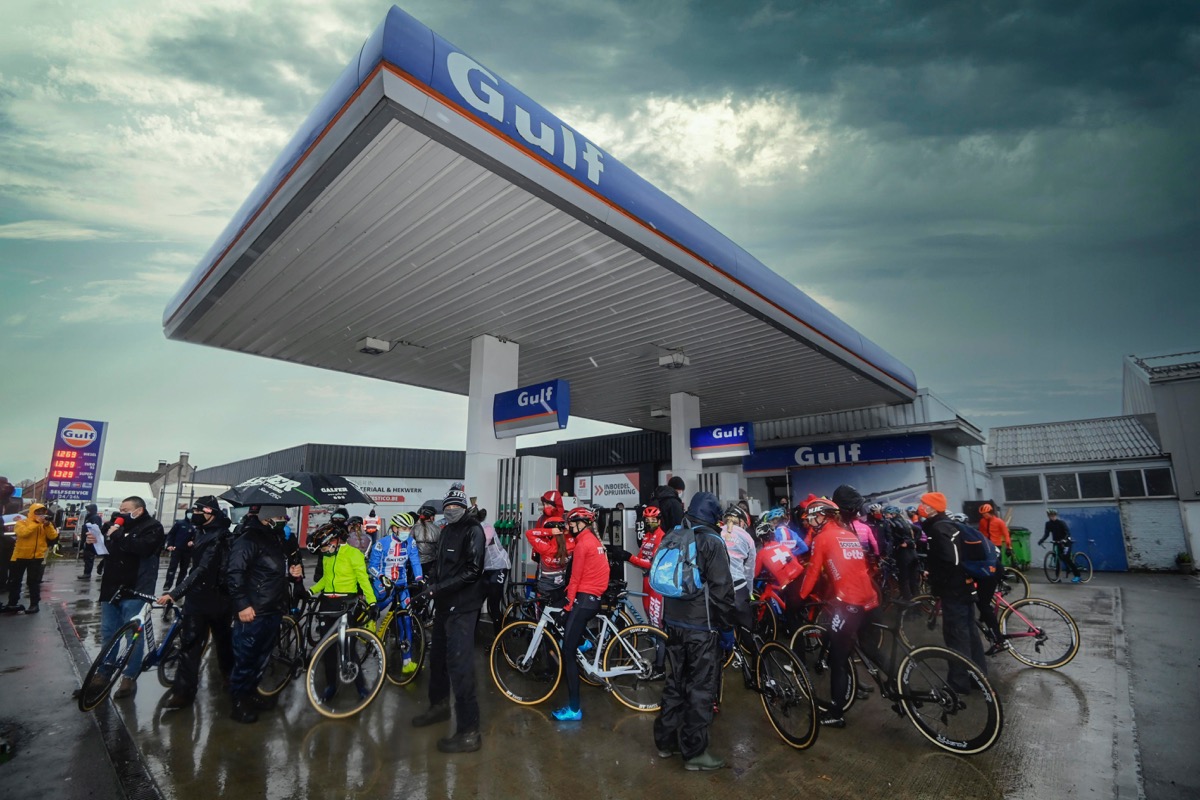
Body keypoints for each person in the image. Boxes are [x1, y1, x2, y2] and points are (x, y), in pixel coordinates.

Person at [653, 491, 735, 772]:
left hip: (674, 624)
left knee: (675, 683)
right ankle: (695, 753)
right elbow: (723, 592)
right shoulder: (712, 542)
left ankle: (666, 742)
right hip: (702, 628)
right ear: (714, 517)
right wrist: (726, 631)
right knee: (701, 688)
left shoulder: (676, 535)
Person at [410, 483, 486, 754]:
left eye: (456, 507)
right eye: (448, 507)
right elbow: (441, 567)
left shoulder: (472, 530)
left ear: (464, 507)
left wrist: (437, 588)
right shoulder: (446, 530)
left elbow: (473, 571)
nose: (451, 510)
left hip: (464, 608)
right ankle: (439, 707)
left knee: (460, 667)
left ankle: (469, 732)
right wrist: (428, 582)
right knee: (437, 659)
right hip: (443, 606)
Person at [796, 497, 880, 728]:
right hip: (870, 599)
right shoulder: (848, 534)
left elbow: (813, 573)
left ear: (824, 516)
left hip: (849, 602)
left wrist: (798, 599)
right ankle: (899, 687)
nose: (811, 521)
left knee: (838, 659)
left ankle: (836, 713)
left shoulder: (822, 538)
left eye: (814, 516)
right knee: (871, 650)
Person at [157, 496, 234, 710]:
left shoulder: (221, 536)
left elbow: (204, 568)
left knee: (223, 642)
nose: (195, 515)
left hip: (218, 599)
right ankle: (183, 693)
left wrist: (176, 592)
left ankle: (230, 678)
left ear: (210, 513)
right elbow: (196, 568)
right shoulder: (200, 531)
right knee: (189, 645)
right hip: (197, 599)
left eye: (198, 511)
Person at [226, 505, 297, 723]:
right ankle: (239, 701)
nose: (284, 519)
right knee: (246, 658)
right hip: (253, 610)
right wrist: (242, 605)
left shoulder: (275, 538)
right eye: (280, 516)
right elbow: (234, 572)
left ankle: (252, 694)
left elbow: (275, 570)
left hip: (273, 608)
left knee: (262, 658)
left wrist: (293, 573)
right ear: (267, 517)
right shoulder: (249, 538)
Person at [89, 497, 165, 698]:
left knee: (133, 636)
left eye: (125, 509)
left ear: (138, 510)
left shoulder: (153, 527)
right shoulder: (114, 526)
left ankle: (129, 677)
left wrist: (120, 535)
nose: (121, 513)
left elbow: (143, 548)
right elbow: (107, 551)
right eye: (120, 509)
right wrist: (94, 542)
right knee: (108, 633)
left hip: (135, 588)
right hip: (111, 587)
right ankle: (103, 673)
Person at [919, 492, 988, 682]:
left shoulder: (939, 529)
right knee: (970, 634)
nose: (921, 507)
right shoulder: (949, 525)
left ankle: (959, 682)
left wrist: (936, 580)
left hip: (954, 589)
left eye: (923, 503)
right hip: (965, 587)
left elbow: (950, 560)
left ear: (933, 507)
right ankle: (978, 677)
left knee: (956, 635)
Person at [551, 506, 609, 721]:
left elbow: (575, 578)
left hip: (584, 600)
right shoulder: (594, 540)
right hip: (593, 598)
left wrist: (567, 606)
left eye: (572, 523)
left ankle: (574, 709)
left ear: (581, 523)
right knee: (573, 635)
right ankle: (584, 642)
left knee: (567, 651)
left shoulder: (583, 543)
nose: (570, 527)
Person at [368, 511, 422, 672]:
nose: (407, 531)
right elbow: (371, 566)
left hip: (402, 583)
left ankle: (407, 661)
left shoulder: (410, 542)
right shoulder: (381, 543)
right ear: (394, 528)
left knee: (406, 620)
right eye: (404, 527)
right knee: (379, 604)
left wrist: (420, 578)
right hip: (383, 583)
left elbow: (415, 562)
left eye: (409, 528)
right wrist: (382, 577)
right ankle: (370, 619)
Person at [3, 502, 58, 614]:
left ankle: (34, 604)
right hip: (20, 556)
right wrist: (36, 523)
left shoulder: (45, 525)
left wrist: (47, 526)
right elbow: (23, 533)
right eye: (38, 512)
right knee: (15, 581)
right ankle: (12, 603)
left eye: (42, 512)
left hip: (36, 557)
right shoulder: (22, 522)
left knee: (33, 582)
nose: (40, 514)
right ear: (32, 512)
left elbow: (53, 536)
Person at [719, 505, 757, 658]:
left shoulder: (717, 533)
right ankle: (758, 674)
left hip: (719, 589)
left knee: (720, 627)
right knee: (749, 633)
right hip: (739, 588)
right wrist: (749, 592)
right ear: (742, 522)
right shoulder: (747, 537)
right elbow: (749, 571)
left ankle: (726, 656)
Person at [525, 516, 575, 607]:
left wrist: (549, 531)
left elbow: (529, 533)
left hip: (545, 589)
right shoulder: (572, 544)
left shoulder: (546, 547)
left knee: (542, 618)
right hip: (561, 588)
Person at [628, 507, 666, 628]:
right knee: (647, 612)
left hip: (655, 582)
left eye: (653, 519)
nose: (650, 523)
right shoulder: (646, 536)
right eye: (647, 520)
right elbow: (640, 558)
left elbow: (652, 563)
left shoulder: (662, 537)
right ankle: (655, 641)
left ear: (659, 521)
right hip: (645, 579)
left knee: (655, 618)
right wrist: (631, 558)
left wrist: (629, 557)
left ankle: (661, 644)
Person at [478, 509, 511, 638]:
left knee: (493, 604)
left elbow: (482, 543)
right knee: (477, 601)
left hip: (500, 566)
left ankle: (499, 639)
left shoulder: (487, 527)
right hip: (487, 569)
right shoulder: (474, 528)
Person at [882, 505, 920, 599]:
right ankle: (918, 604)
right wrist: (913, 542)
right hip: (913, 553)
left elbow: (891, 539)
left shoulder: (891, 523)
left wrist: (888, 553)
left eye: (887, 514)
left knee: (904, 580)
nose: (885, 516)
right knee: (913, 580)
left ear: (893, 514)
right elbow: (918, 530)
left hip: (903, 554)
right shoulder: (906, 522)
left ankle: (908, 605)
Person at [1039, 509, 1082, 583]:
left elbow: (1068, 532)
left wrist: (1064, 539)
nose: (1052, 517)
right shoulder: (1048, 524)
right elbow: (1047, 534)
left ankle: (1077, 576)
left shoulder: (1061, 523)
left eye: (1053, 515)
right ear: (1048, 516)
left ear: (1056, 516)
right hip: (1057, 543)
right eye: (1050, 516)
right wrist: (1041, 540)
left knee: (1066, 558)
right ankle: (1057, 577)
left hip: (1066, 543)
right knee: (1057, 559)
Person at [162, 516, 197, 591]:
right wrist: (169, 545)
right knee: (172, 567)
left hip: (188, 551)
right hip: (177, 549)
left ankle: (179, 585)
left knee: (184, 569)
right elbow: (171, 534)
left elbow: (198, 537)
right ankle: (168, 584)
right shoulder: (180, 523)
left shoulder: (195, 525)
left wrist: (193, 542)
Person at [410, 503, 442, 577]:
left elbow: (409, 544)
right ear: (431, 517)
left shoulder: (414, 528)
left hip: (416, 563)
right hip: (432, 564)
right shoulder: (438, 529)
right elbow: (440, 548)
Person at [78, 502, 103, 580]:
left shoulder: (95, 517)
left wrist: (90, 539)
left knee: (89, 557)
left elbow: (95, 529)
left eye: (88, 510)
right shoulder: (89, 517)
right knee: (87, 557)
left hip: (91, 541)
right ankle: (86, 572)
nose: (87, 511)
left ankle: (87, 573)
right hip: (87, 539)